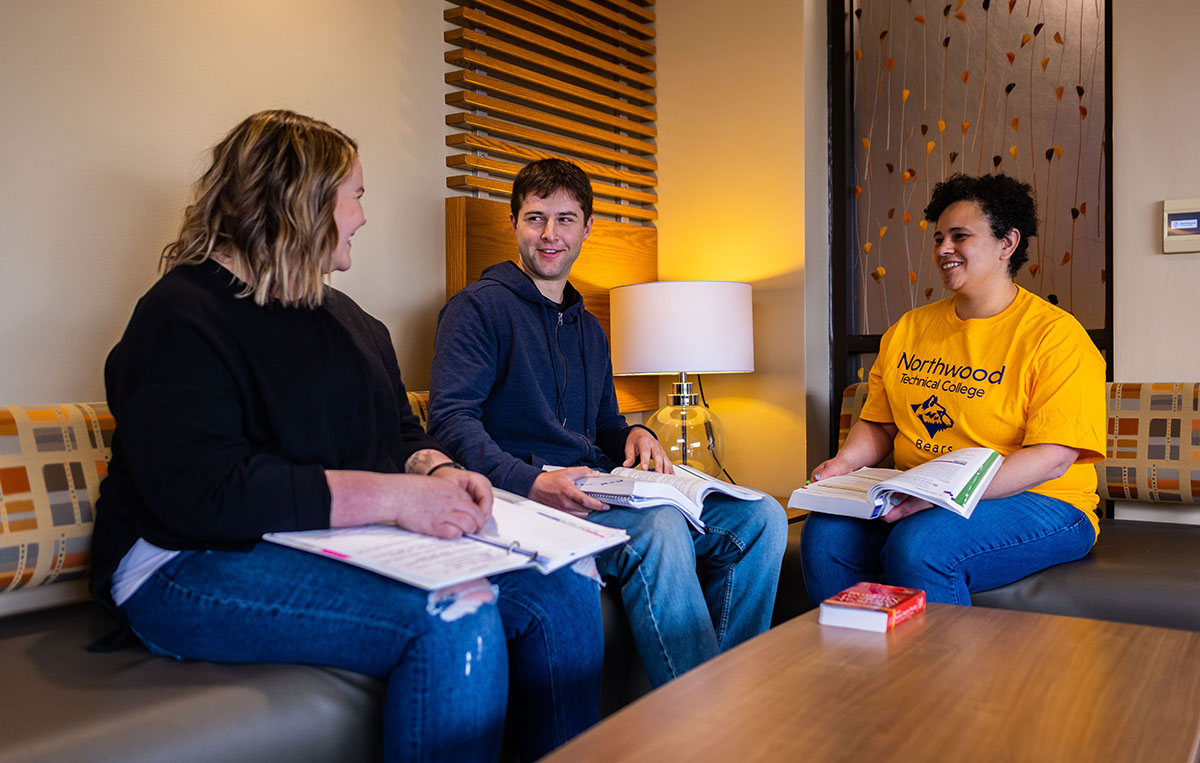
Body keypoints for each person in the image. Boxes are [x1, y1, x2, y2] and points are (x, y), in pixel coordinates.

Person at [89, 111, 602, 762]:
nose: (363, 216)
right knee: (455, 613)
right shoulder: (179, 315)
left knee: (565, 584)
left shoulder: (351, 322)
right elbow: (205, 493)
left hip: (323, 541)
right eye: (356, 195)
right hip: (182, 559)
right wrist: (391, 499)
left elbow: (400, 430)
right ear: (299, 200)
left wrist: (437, 472)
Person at [427, 158, 788, 688]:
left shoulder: (589, 327)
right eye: (535, 218)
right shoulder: (476, 309)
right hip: (523, 497)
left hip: (595, 488)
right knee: (661, 528)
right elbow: (450, 422)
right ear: (514, 223)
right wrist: (531, 481)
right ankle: (711, 726)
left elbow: (603, 426)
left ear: (587, 227)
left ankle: (728, 695)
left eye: (565, 219)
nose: (550, 235)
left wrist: (635, 435)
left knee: (762, 518)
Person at [801, 173, 1105, 605]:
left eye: (960, 236)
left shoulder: (1056, 337)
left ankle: (939, 674)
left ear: (1007, 243)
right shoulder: (910, 328)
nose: (943, 249)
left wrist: (941, 497)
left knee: (922, 546)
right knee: (826, 534)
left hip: (1043, 501)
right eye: (939, 237)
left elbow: (1053, 458)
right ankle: (856, 669)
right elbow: (879, 425)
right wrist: (844, 463)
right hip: (920, 491)